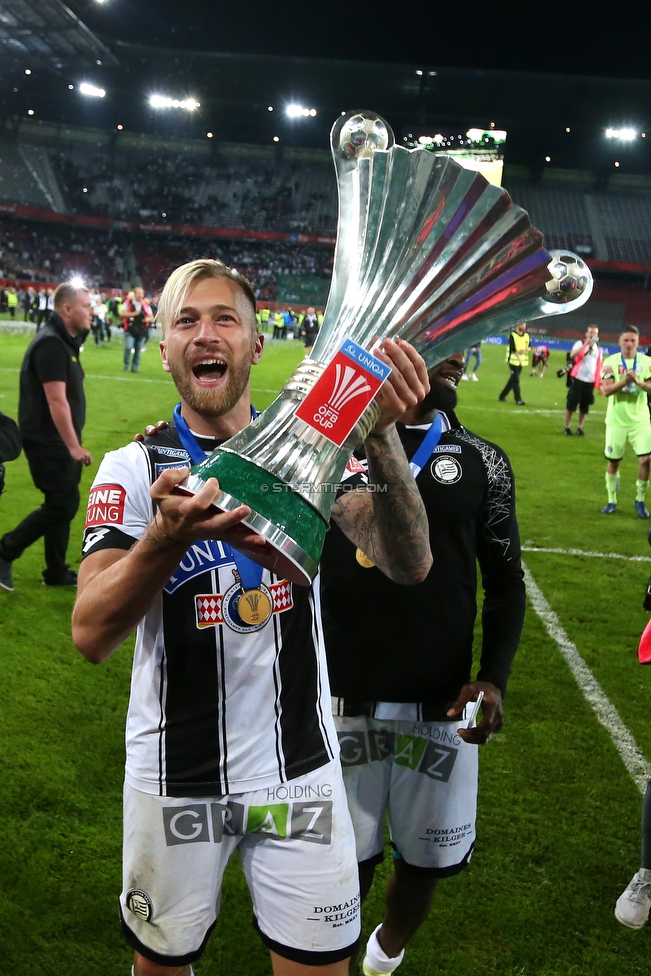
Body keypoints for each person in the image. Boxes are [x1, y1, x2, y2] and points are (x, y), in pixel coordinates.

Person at [71, 258, 433, 976]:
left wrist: (382, 436)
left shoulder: (309, 454)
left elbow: (407, 561)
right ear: (167, 347)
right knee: (161, 967)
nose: (206, 334)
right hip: (176, 776)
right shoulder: (131, 467)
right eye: (186, 321)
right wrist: (162, 541)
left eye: (224, 318)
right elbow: (91, 632)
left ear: (256, 342)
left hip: (298, 775)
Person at [319, 349, 526, 976]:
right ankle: (335, 958)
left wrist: (493, 676)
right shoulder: (327, 441)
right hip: (336, 699)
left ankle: (384, 955)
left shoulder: (484, 460)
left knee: (424, 863)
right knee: (337, 864)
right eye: (442, 335)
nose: (456, 355)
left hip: (438, 703)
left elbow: (507, 583)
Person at [0, 282, 92, 592]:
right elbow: (56, 400)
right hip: (48, 441)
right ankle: (5, 550)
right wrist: (73, 446)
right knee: (62, 504)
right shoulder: (51, 344)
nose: (92, 312)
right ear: (67, 309)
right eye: (86, 306)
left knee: (63, 500)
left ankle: (56, 570)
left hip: (54, 440)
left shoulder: (62, 341)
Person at [601, 326, 651, 517]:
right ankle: (612, 500)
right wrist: (625, 381)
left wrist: (639, 382)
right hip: (617, 420)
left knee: (646, 460)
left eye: (633, 341)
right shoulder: (611, 362)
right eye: (626, 340)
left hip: (640, 420)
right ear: (619, 341)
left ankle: (640, 500)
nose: (629, 344)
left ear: (638, 343)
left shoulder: (647, 362)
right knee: (614, 462)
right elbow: (606, 390)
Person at [563, 325, 602, 436]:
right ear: (586, 333)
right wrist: (585, 345)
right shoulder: (580, 343)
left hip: (590, 381)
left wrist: (599, 382)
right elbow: (572, 355)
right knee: (571, 404)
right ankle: (567, 427)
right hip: (578, 378)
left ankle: (580, 427)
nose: (592, 335)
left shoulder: (598, 349)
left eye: (595, 333)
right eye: (591, 332)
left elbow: (599, 365)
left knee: (585, 406)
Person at [122, 286, 153, 372]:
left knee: (138, 349)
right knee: (128, 347)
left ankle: (135, 367)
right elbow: (122, 313)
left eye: (141, 293)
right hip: (130, 328)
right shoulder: (128, 303)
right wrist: (134, 314)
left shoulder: (145, 304)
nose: (140, 295)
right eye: (138, 293)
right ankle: (126, 364)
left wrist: (146, 319)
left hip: (141, 330)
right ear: (134, 294)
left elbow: (151, 317)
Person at [498, 322, 529, 405]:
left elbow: (529, 346)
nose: (524, 326)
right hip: (513, 361)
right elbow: (513, 349)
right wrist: (519, 357)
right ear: (518, 325)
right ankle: (518, 399)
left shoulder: (526, 336)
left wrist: (525, 350)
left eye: (525, 324)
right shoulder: (513, 335)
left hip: (521, 362)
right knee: (516, 380)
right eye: (522, 324)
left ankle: (502, 396)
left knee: (512, 380)